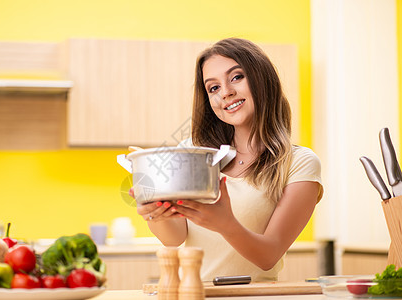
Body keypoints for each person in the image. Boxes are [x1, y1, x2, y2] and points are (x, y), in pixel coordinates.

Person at [132, 38, 323, 281]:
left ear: (262, 78)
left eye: (236, 77)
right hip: (194, 294)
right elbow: (175, 237)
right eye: (213, 88)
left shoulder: (299, 163)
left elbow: (269, 256)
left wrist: (225, 224)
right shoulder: (193, 152)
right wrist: (154, 212)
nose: (226, 92)